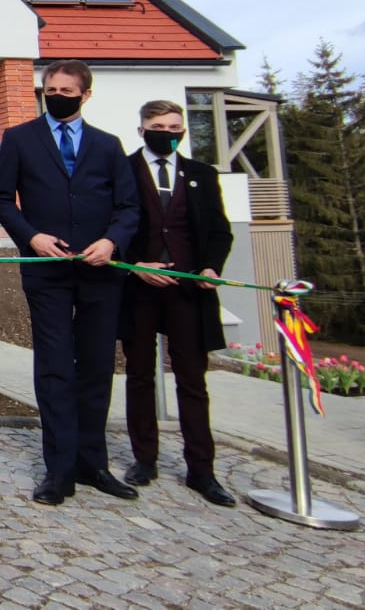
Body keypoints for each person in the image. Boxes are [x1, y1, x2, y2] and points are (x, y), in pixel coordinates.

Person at [0, 59, 140, 506]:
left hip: (100, 272)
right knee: (54, 368)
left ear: (85, 95)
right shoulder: (20, 139)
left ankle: (94, 464)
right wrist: (31, 236)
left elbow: (128, 207)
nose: (55, 97)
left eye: (65, 91)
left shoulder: (108, 145)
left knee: (96, 366)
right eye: (49, 90)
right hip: (46, 272)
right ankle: (59, 469)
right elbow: (1, 199)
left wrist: (112, 242)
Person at [119, 100, 238, 507]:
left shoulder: (201, 174)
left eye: (174, 127)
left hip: (189, 291)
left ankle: (201, 469)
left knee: (192, 379)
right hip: (139, 288)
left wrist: (210, 267)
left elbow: (220, 230)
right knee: (139, 376)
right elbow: (114, 226)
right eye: (158, 126)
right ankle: (144, 459)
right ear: (142, 130)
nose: (167, 133)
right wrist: (135, 265)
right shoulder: (124, 170)